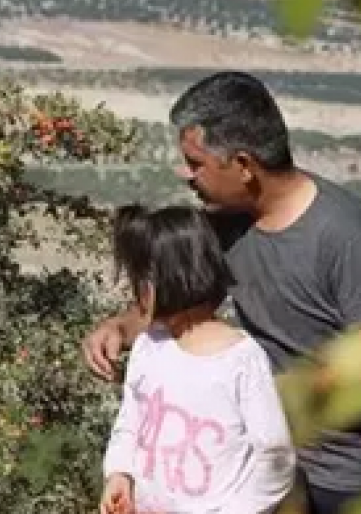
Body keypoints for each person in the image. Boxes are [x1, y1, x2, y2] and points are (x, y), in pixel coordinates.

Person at [83, 71, 361, 514]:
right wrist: (122, 326)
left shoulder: (346, 238)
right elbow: (183, 299)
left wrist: (278, 393)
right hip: (249, 471)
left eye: (196, 164)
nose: (185, 176)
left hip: (339, 478)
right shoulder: (225, 221)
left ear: (244, 166)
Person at [99, 204, 295, 514]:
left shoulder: (240, 360)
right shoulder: (148, 346)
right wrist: (120, 474)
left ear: (156, 285)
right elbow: (131, 422)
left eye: (138, 279)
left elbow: (275, 456)